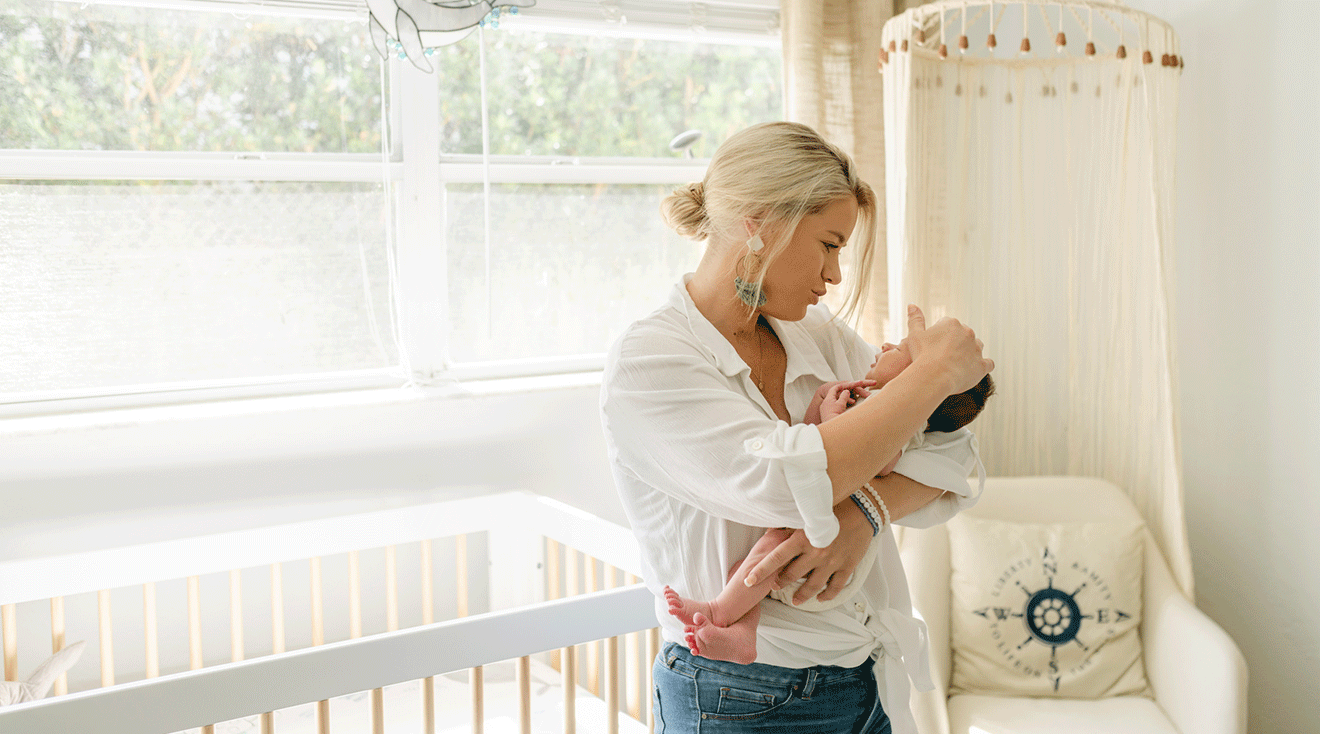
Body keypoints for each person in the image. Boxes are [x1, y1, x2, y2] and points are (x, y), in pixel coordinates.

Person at [600, 121, 993, 734]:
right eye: (829, 244)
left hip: (863, 678)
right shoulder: (651, 360)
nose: (835, 275)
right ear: (761, 223)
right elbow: (786, 483)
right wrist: (934, 373)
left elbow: (957, 460)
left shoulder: (816, 335)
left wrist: (866, 510)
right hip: (741, 693)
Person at [662, 345, 996, 665]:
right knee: (746, 571)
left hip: (826, 561)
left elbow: (884, 461)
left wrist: (836, 418)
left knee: (762, 561)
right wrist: (821, 407)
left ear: (920, 381)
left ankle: (719, 612)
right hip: (816, 541)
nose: (885, 345)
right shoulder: (878, 402)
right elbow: (810, 442)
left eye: (903, 352)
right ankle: (743, 633)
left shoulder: (901, 414)